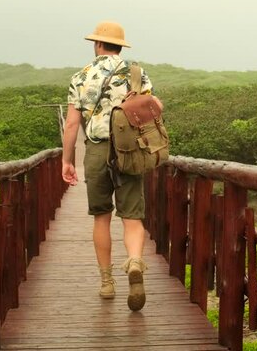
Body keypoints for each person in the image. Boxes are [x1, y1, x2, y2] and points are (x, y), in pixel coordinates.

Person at [62, 21, 161, 312]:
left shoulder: (80, 76)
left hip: (96, 149)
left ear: (97, 44)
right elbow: (150, 109)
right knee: (132, 217)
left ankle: (106, 282)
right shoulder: (136, 73)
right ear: (120, 45)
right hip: (129, 149)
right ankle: (134, 264)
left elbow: (71, 124)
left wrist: (66, 160)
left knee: (101, 217)